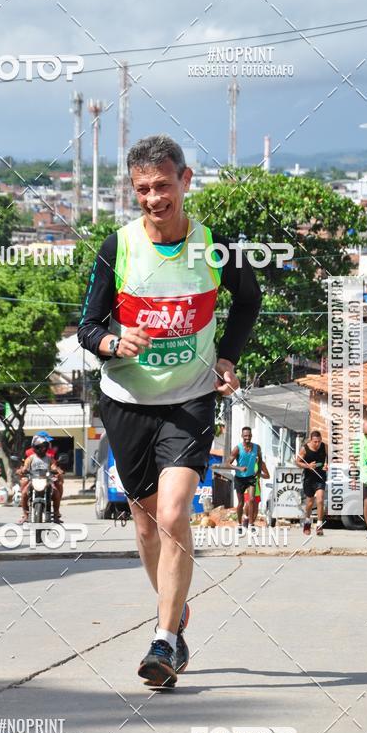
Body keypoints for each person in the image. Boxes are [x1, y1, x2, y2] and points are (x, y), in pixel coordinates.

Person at [77, 134, 261, 687]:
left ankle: (165, 639)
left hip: (191, 398)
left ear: (185, 180)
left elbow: (248, 299)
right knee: (146, 522)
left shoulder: (216, 247)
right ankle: (173, 608)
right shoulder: (118, 247)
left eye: (162, 185)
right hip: (127, 401)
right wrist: (113, 342)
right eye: (142, 190)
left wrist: (227, 357)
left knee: (177, 511)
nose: (153, 198)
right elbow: (88, 326)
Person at [18, 436, 63, 524]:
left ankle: (56, 514)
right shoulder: (30, 458)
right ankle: (25, 514)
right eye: (38, 447)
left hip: (47, 481)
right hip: (33, 480)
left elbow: (54, 466)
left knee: (56, 494)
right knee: (24, 494)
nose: (41, 449)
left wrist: (57, 470)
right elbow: (25, 467)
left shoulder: (49, 458)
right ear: (34, 448)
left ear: (46, 447)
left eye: (43, 447)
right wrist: (22, 470)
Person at [230, 427, 264, 529]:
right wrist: (239, 468)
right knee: (241, 503)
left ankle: (251, 524)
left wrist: (258, 472)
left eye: (249, 435)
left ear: (251, 436)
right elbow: (228, 463)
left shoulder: (257, 448)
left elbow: (260, 459)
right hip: (239, 478)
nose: (247, 438)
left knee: (252, 499)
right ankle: (239, 523)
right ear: (242, 436)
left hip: (251, 478)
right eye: (245, 436)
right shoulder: (237, 449)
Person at [296, 430, 328, 536]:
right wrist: (308, 466)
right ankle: (307, 522)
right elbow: (297, 462)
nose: (317, 444)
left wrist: (327, 465)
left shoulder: (324, 446)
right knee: (310, 503)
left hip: (320, 477)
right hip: (309, 478)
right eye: (315, 442)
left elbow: (330, 458)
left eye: (319, 441)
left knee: (320, 499)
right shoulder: (305, 449)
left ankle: (319, 525)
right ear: (311, 440)